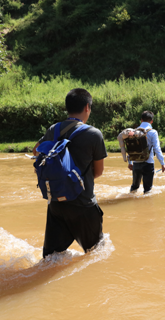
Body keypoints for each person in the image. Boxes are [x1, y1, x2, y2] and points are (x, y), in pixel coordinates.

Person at [38, 88, 107, 258]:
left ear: (67, 108)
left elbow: (36, 151)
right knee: (97, 255)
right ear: (87, 108)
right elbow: (98, 172)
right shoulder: (93, 134)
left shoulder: (54, 129)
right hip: (83, 204)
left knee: (51, 258)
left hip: (56, 203)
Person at [128, 111, 165, 194]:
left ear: (141, 120)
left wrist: (130, 162)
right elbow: (157, 149)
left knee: (134, 188)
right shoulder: (153, 132)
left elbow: (129, 148)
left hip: (136, 163)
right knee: (147, 190)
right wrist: (163, 164)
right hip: (148, 163)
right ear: (152, 121)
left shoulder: (133, 131)